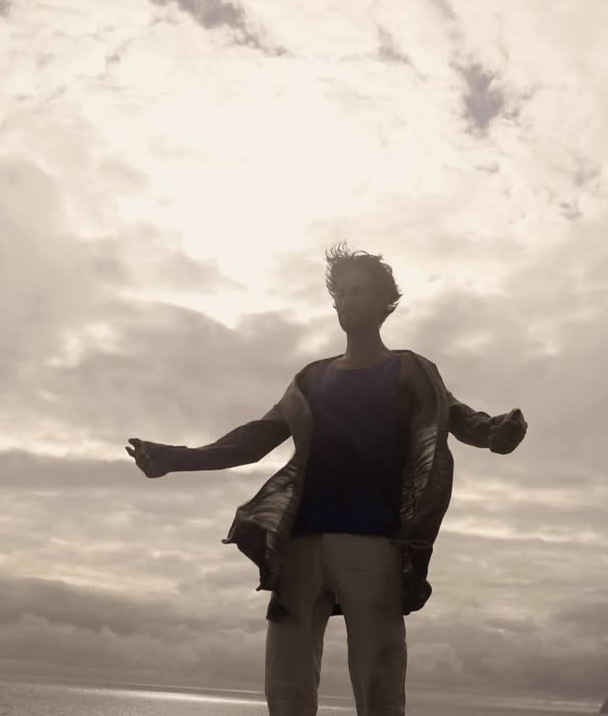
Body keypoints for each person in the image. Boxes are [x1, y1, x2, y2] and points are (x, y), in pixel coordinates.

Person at [125, 241, 528, 716]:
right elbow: (254, 440)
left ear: (385, 303)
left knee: (380, 682)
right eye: (340, 293)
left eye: (359, 292)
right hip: (298, 545)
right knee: (287, 686)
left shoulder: (409, 369)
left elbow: (456, 416)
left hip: (374, 544)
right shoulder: (311, 379)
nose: (346, 301)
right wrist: (177, 458)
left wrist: (495, 432)